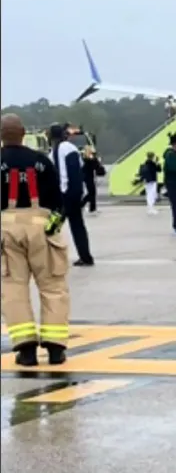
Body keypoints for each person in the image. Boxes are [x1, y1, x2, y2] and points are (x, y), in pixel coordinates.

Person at [1, 113, 71, 366]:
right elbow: (58, 202)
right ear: (22, 134)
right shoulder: (41, 161)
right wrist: (53, 227)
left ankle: (26, 350)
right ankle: (55, 349)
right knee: (53, 286)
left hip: (6, 229)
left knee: (13, 289)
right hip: (42, 228)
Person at [48, 124, 94, 266]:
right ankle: (85, 256)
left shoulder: (57, 151)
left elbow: (62, 175)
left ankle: (50, 257)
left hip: (64, 195)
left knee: (51, 227)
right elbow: (79, 171)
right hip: (73, 193)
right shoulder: (69, 148)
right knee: (77, 226)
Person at [81, 145, 105, 214]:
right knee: (91, 192)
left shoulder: (84, 158)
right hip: (88, 176)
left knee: (92, 192)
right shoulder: (89, 158)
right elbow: (95, 165)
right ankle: (83, 205)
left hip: (87, 176)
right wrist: (97, 161)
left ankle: (92, 208)